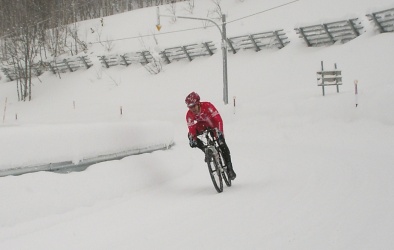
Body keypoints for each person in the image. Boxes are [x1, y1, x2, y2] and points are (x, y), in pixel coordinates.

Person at [185, 92, 236, 180]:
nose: (192, 109)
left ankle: (230, 168)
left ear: (198, 103)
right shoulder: (189, 115)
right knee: (191, 138)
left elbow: (219, 119)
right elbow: (191, 129)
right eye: (190, 107)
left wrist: (220, 132)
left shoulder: (207, 106)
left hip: (213, 123)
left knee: (222, 144)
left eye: (194, 106)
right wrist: (193, 138)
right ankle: (206, 151)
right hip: (202, 125)